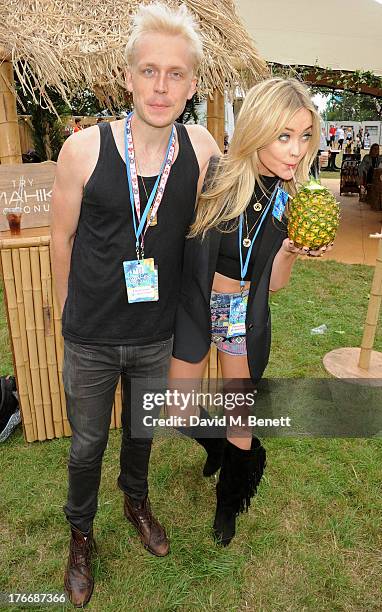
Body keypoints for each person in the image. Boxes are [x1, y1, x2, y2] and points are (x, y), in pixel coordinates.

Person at [51, 3, 219, 607]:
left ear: (192, 84)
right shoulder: (84, 151)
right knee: (86, 443)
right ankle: (80, 533)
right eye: (149, 71)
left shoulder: (200, 150)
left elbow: (242, 209)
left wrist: (295, 235)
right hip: (92, 335)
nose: (161, 86)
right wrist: (64, 319)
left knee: (142, 432)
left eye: (175, 74)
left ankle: (136, 499)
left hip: (156, 332)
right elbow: (61, 238)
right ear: (127, 75)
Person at [169, 77, 332, 547]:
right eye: (284, 136)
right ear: (257, 128)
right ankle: (218, 444)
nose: (296, 151)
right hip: (199, 305)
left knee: (238, 416)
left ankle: (229, 501)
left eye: (304, 137)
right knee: (177, 411)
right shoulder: (213, 176)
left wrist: (291, 251)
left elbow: (275, 283)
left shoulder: (294, 201)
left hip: (241, 314)